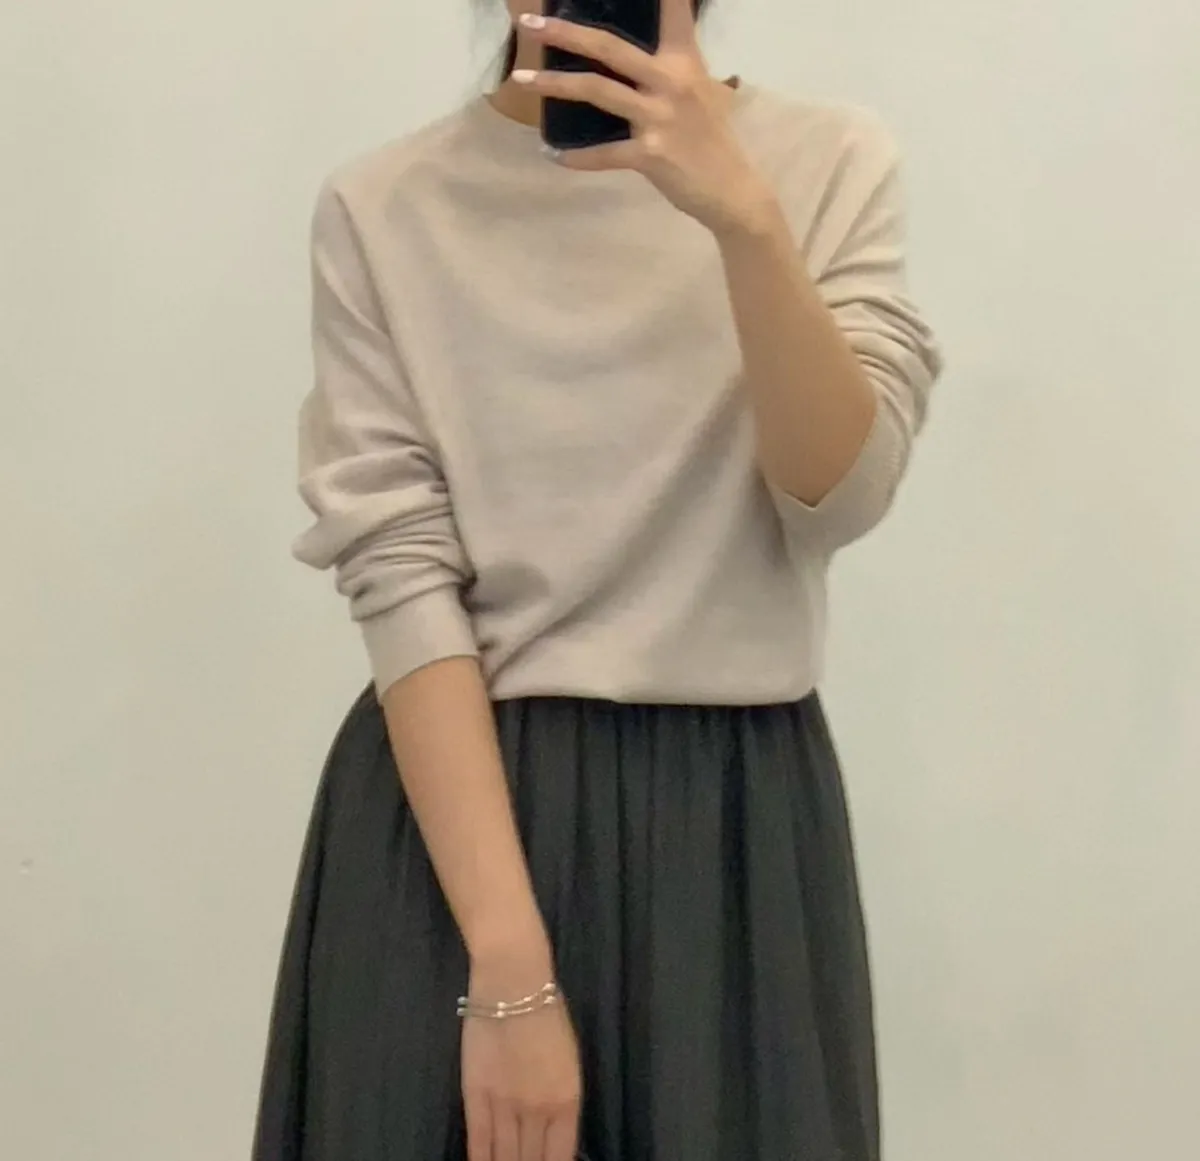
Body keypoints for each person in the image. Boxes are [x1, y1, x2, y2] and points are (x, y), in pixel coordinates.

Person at [252, 1, 943, 1159]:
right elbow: (401, 576)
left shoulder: (825, 164)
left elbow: (838, 498)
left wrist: (744, 221)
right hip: (460, 841)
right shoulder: (384, 206)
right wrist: (508, 969)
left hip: (736, 845)